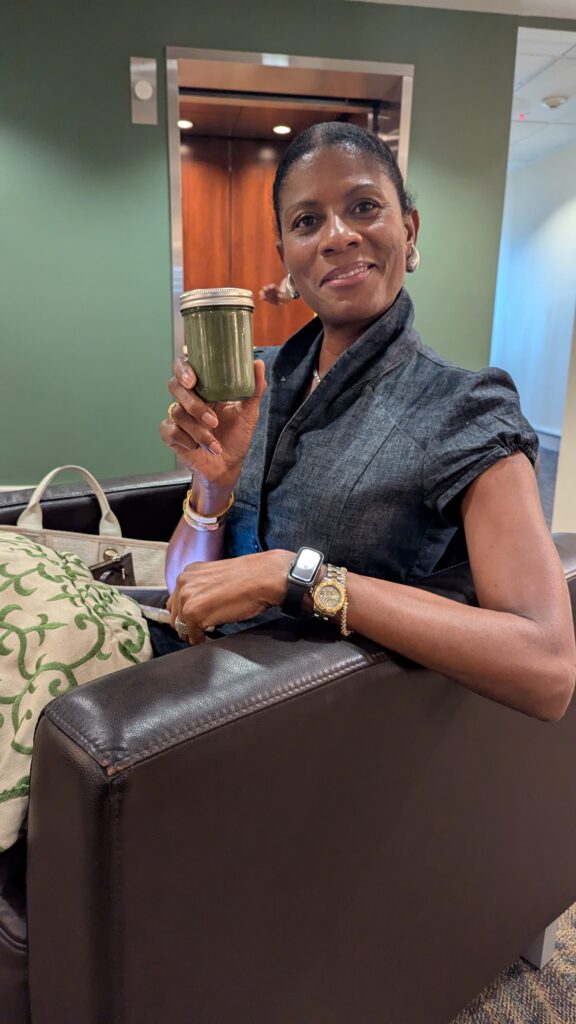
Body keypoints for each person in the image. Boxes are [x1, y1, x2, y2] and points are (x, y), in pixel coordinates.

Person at [159, 121, 575, 723]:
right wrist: (215, 486)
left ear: (408, 230)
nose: (336, 237)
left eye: (363, 207)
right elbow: (186, 591)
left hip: (298, 733)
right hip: (188, 687)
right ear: (286, 258)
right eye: (306, 222)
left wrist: (297, 578)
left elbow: (548, 667)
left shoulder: (464, 408)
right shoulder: (259, 382)